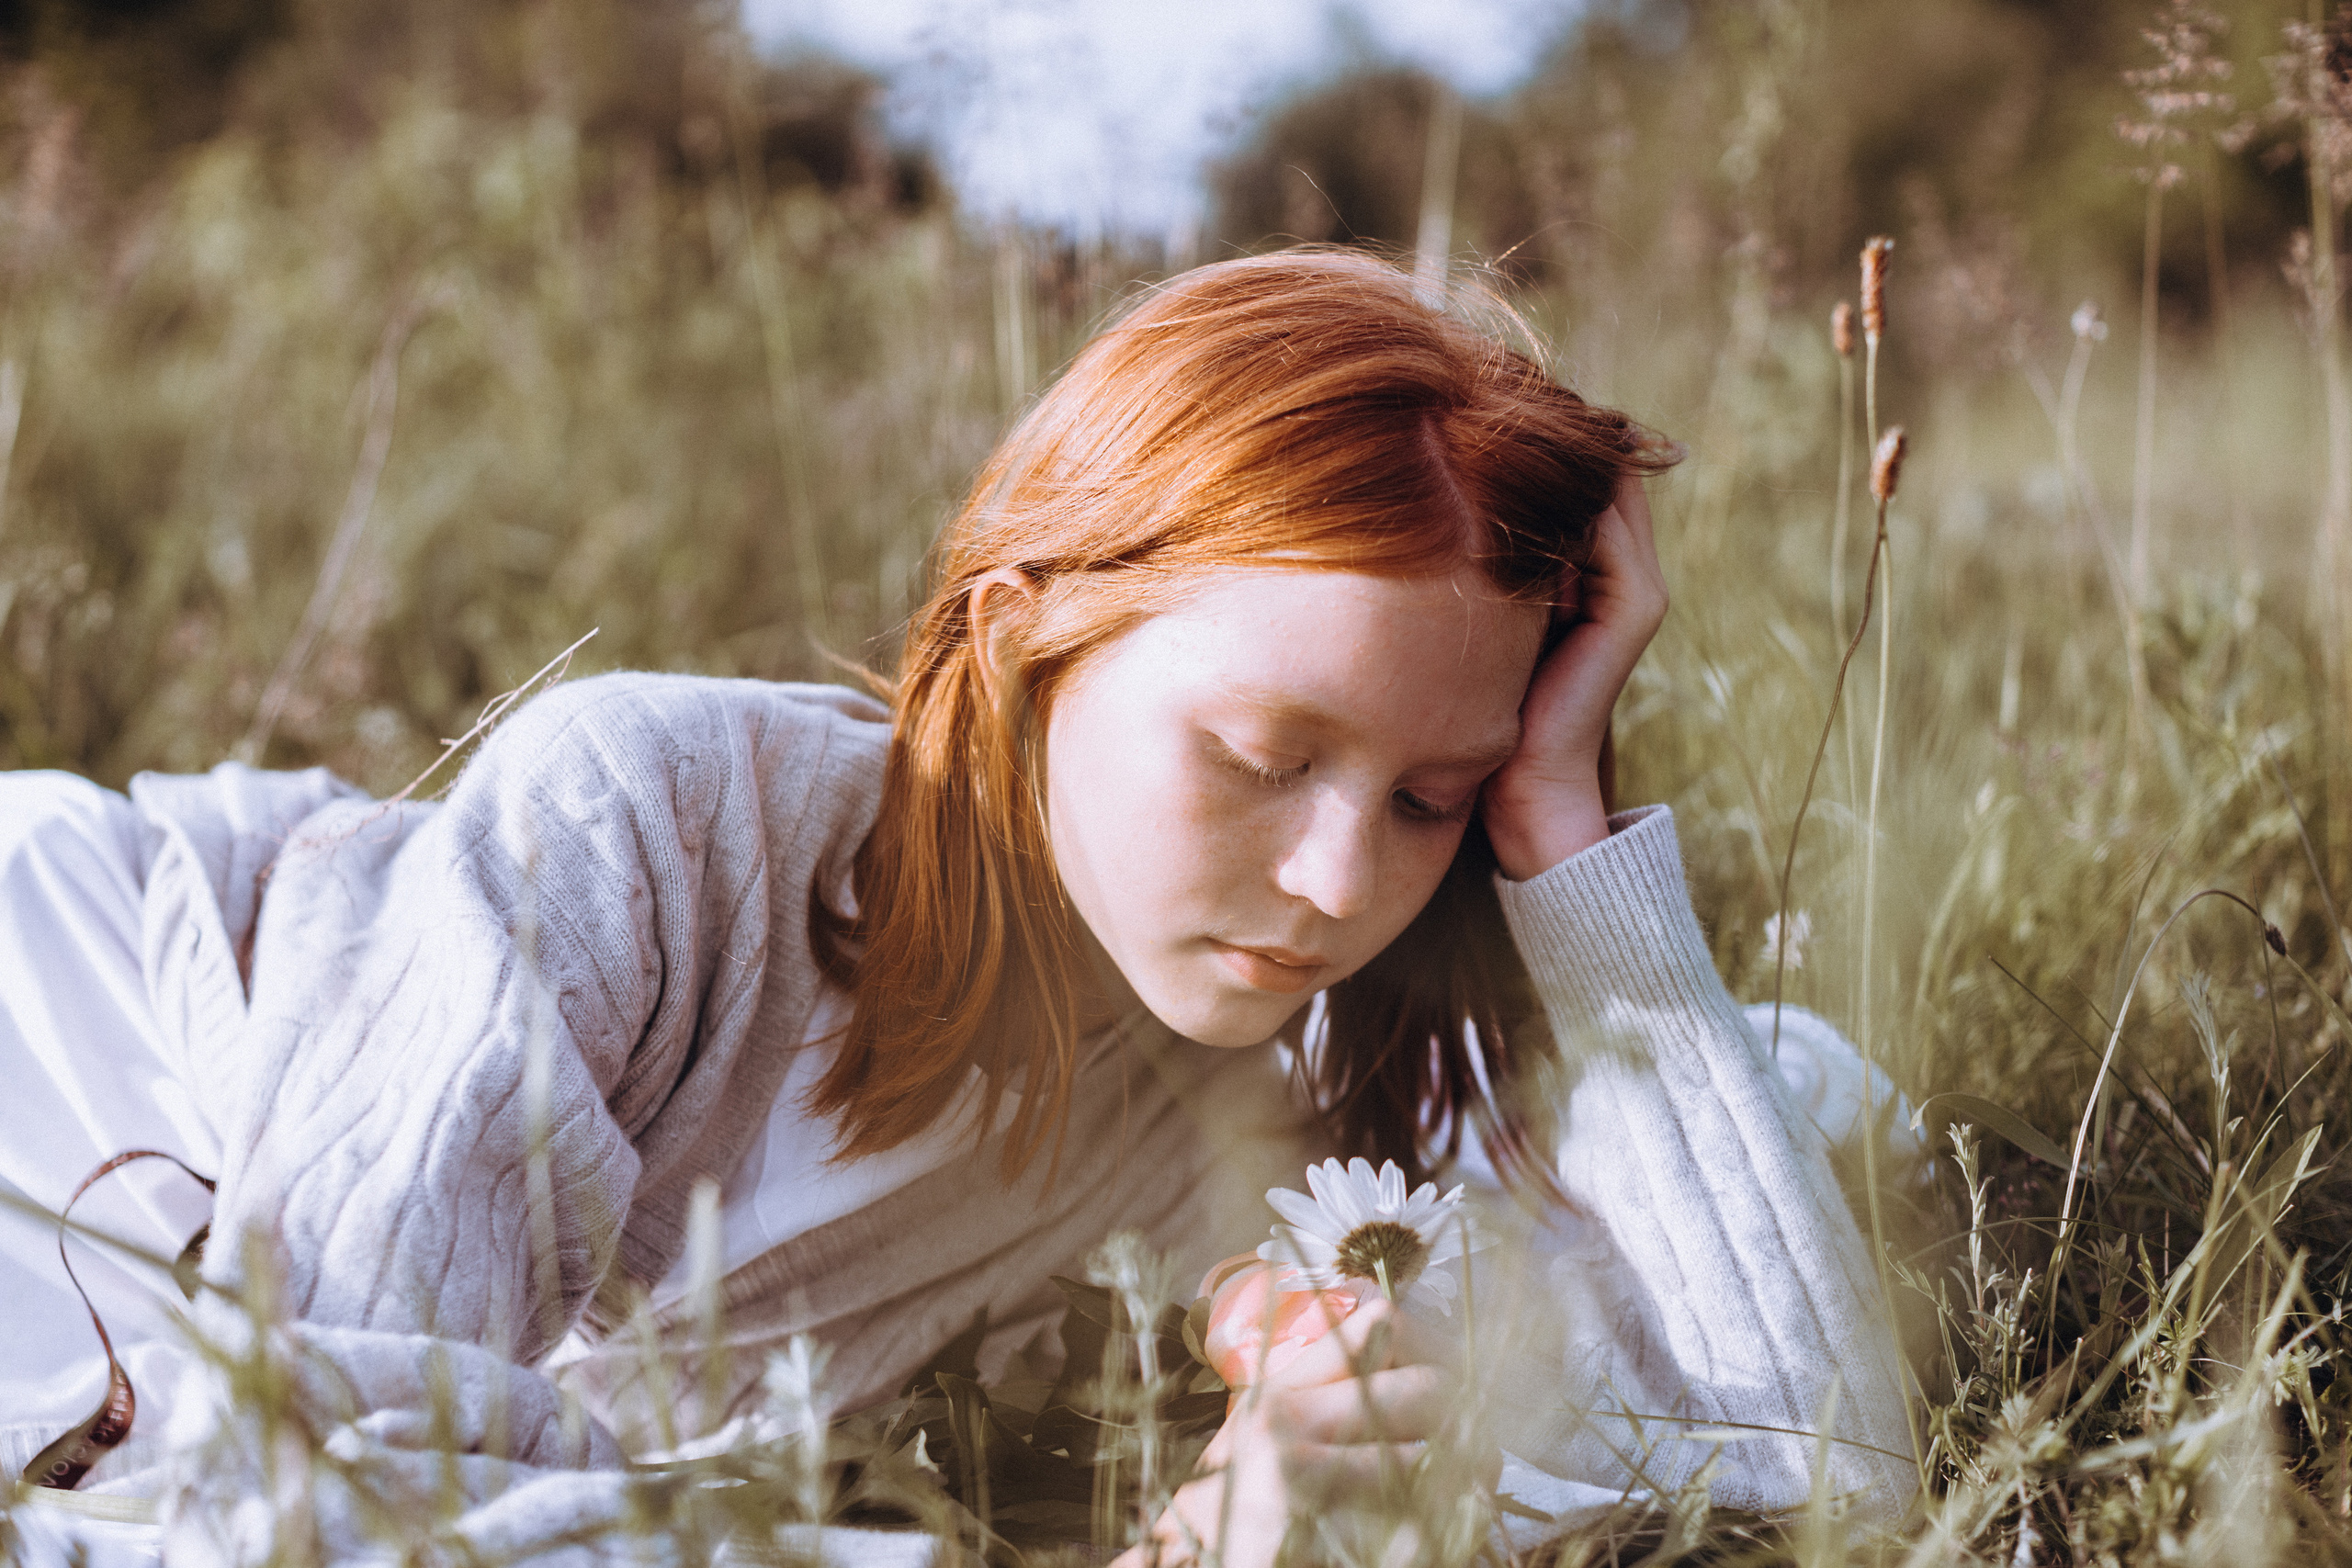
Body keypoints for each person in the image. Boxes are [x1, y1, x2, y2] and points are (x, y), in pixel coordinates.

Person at [0, 250, 1915, 1566]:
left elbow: (1820, 1471)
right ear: (1024, 647)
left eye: (1425, 794)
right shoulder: (653, 820)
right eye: (1259, 751)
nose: (1338, 880)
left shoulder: (1245, 1092)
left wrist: (1556, 821)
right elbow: (269, 1488)